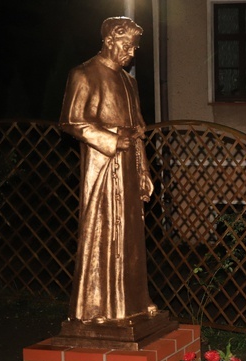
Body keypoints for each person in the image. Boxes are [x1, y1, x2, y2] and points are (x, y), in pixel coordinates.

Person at [60, 17, 157, 325]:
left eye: (135, 47)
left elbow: (138, 131)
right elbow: (72, 121)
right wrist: (114, 139)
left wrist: (144, 171)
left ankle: (134, 302)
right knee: (103, 233)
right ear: (110, 41)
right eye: (127, 46)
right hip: (102, 168)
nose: (132, 53)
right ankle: (98, 306)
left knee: (130, 238)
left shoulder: (129, 82)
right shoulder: (84, 74)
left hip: (128, 168)